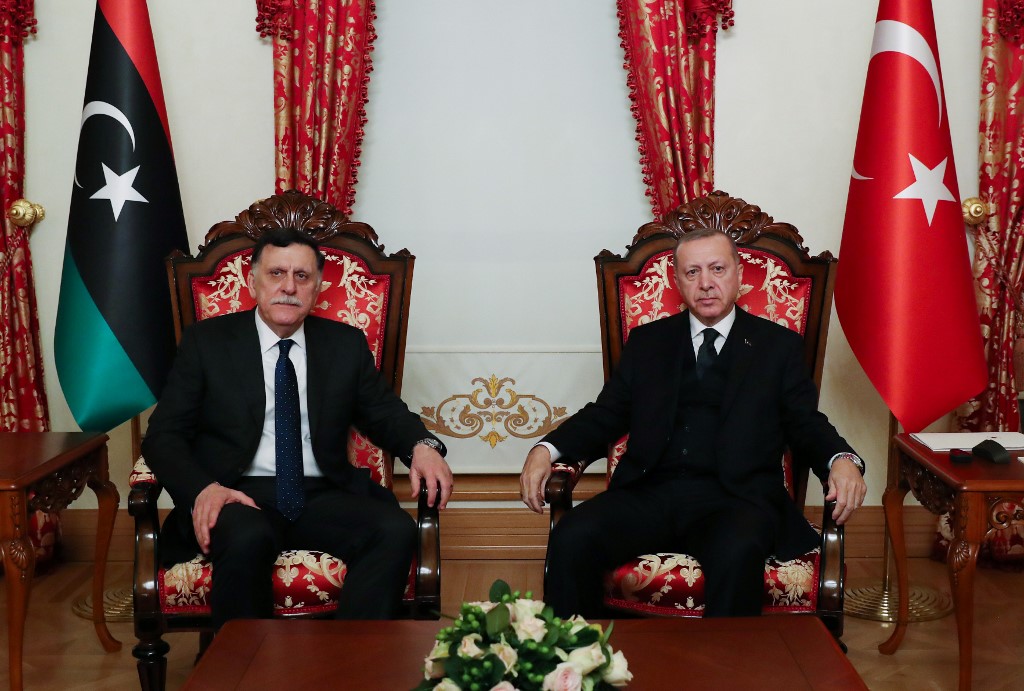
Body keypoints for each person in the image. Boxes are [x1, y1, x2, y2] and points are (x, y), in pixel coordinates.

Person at [519, 229, 866, 618]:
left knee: (737, 551)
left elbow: (805, 421)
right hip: (650, 493)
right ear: (676, 280)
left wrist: (841, 458)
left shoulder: (777, 347)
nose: (706, 284)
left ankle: (724, 674)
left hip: (736, 499)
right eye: (692, 272)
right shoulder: (647, 342)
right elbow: (605, 414)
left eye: (717, 269)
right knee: (573, 535)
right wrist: (545, 449)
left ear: (738, 275)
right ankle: (578, 664)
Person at [143, 226, 453, 627]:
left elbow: (383, 412)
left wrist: (422, 446)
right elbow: (164, 434)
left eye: (301, 276)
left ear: (317, 286)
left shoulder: (344, 344)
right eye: (276, 274)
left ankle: (351, 666)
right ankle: (244, 671)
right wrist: (203, 489)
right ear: (253, 281)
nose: (288, 286)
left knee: (394, 530)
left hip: (321, 491)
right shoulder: (207, 342)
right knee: (246, 537)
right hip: (239, 493)